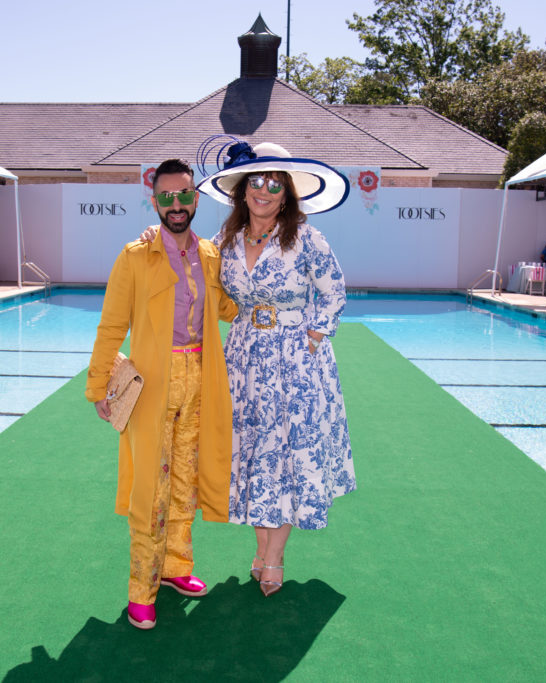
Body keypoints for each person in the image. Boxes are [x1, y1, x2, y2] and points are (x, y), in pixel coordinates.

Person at [193, 140, 355, 597]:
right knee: (254, 452)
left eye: (274, 184)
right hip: (244, 357)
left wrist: (314, 337)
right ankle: (261, 550)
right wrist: (155, 238)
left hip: (296, 361)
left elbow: (334, 292)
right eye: (256, 181)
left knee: (287, 455)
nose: (263, 191)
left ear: (286, 194)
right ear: (242, 189)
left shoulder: (306, 237)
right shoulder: (225, 241)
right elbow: (196, 273)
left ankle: (274, 558)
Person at [85, 158, 237, 631]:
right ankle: (141, 589)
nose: (176, 205)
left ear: (196, 199)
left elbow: (228, 308)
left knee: (186, 480)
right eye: (166, 197)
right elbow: (112, 325)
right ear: (154, 202)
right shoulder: (135, 256)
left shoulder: (210, 255)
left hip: (200, 378)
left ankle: (175, 567)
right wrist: (98, 386)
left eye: (184, 195)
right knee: (151, 487)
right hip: (153, 383)